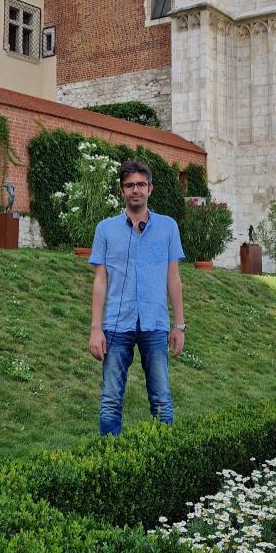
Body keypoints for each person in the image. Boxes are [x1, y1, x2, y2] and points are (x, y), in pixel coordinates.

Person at [88, 159, 185, 437]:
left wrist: (179, 325)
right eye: (129, 185)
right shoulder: (105, 229)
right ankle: (109, 458)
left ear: (150, 189)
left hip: (155, 323)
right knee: (110, 400)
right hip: (117, 325)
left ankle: (163, 455)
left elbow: (174, 279)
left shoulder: (168, 227)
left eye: (141, 184)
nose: (135, 190)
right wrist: (96, 329)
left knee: (162, 399)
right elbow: (100, 280)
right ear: (122, 191)